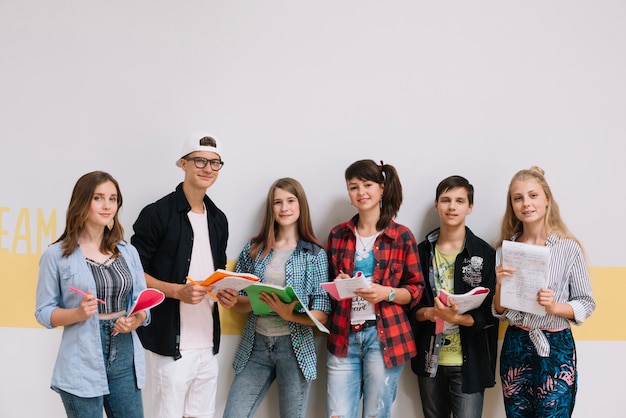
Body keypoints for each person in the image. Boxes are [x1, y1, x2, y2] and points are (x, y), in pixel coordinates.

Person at [131, 133, 230, 418]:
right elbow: (135, 273)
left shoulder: (218, 219)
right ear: (183, 164)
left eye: (214, 163)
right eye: (200, 160)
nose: (207, 168)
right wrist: (176, 292)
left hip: (208, 344)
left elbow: (217, 274)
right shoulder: (156, 214)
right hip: (170, 344)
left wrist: (225, 293)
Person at [35, 171, 149, 418]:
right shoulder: (56, 255)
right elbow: (43, 313)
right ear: (82, 202)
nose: (107, 205)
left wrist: (136, 320)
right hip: (81, 359)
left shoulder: (128, 252)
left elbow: (142, 303)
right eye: (98, 198)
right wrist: (77, 313)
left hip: (125, 353)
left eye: (113, 198)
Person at [221, 177, 331, 418]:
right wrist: (236, 301)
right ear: (271, 209)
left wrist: (289, 314)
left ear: (301, 205)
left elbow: (322, 315)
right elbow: (242, 303)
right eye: (277, 202)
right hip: (256, 346)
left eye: (290, 201)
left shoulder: (314, 255)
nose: (284, 208)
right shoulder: (254, 249)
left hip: (295, 350)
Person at [493, 166, 596, 418]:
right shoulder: (505, 249)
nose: (526, 204)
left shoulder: (568, 248)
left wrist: (555, 307)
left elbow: (587, 302)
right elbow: (499, 312)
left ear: (547, 199)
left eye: (533, 195)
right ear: (512, 205)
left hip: (556, 344)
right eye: (518, 198)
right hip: (516, 344)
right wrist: (499, 287)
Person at [326, 159, 424, 418]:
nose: (361, 192)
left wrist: (387, 293)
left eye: (367, 185)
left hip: (385, 339)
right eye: (353, 187)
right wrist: (339, 284)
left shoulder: (402, 236)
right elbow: (326, 289)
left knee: (375, 415)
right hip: (343, 337)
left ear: (382, 188)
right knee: (337, 415)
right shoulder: (337, 235)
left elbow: (415, 290)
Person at [409, 175, 498, 418]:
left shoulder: (484, 254)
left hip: (470, 363)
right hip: (430, 360)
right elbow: (411, 307)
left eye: (460, 201)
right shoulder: (421, 253)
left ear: (470, 207)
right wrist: (431, 313)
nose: (452, 206)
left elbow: (491, 312)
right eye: (446, 200)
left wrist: (457, 318)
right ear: (436, 205)